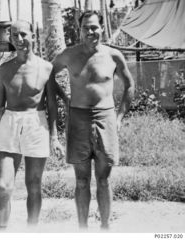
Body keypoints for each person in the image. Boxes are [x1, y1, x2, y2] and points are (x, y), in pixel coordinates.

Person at [52, 10, 135, 229]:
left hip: (105, 117)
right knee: (81, 180)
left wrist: (118, 118)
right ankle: (83, 230)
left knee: (104, 179)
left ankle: (105, 228)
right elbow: (47, 75)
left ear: (102, 28)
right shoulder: (69, 55)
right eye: (86, 28)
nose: (90, 31)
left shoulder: (113, 55)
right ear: (79, 31)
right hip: (78, 119)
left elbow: (129, 85)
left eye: (94, 27)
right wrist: (64, 98)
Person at [0, 20, 64, 230]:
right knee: (3, 187)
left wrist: (54, 137)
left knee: (33, 185)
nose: (20, 40)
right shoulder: (4, 69)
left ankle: (32, 231)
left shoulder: (46, 68)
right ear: (10, 39)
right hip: (10, 123)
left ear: (33, 34)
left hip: (36, 123)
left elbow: (52, 104)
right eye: (14, 36)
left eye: (23, 34)